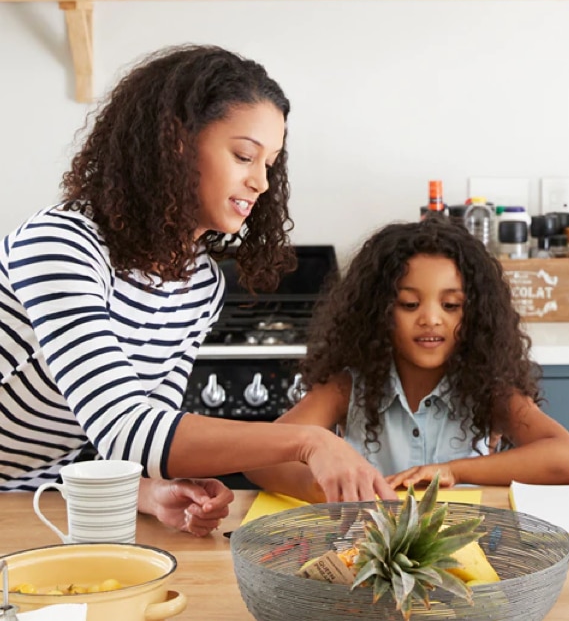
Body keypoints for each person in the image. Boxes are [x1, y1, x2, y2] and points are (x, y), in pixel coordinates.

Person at [0, 45, 394, 537]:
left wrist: (151, 492)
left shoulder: (200, 285)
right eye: (245, 155)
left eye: (270, 163)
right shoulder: (61, 246)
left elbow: (139, 438)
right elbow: (127, 428)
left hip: (31, 495)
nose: (262, 182)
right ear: (174, 143)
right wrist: (307, 441)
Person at [244, 219, 569, 501]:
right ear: (378, 312)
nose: (431, 319)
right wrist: (323, 488)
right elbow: (259, 458)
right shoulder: (346, 387)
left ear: (476, 315)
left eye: (451, 306)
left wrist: (453, 471)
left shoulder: (488, 389)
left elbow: (567, 459)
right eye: (409, 304)